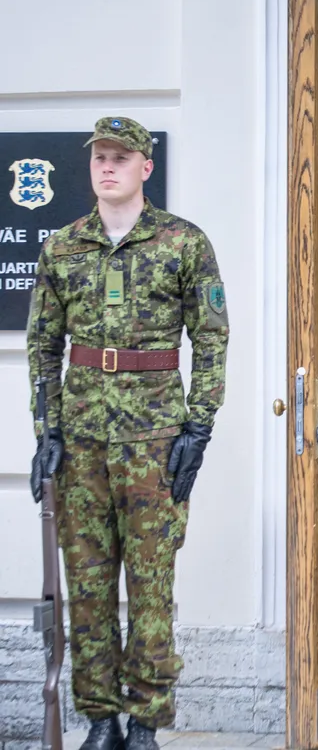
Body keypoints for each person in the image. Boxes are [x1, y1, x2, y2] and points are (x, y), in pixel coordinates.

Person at [26, 116, 229, 750]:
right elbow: (42, 345)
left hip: (154, 441)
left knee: (149, 585)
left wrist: (199, 425)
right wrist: (46, 432)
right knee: (86, 586)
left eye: (121, 157)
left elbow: (213, 337)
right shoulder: (62, 247)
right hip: (82, 442)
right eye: (99, 157)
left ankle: (145, 720)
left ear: (147, 167)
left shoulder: (183, 243)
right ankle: (100, 720)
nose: (107, 167)